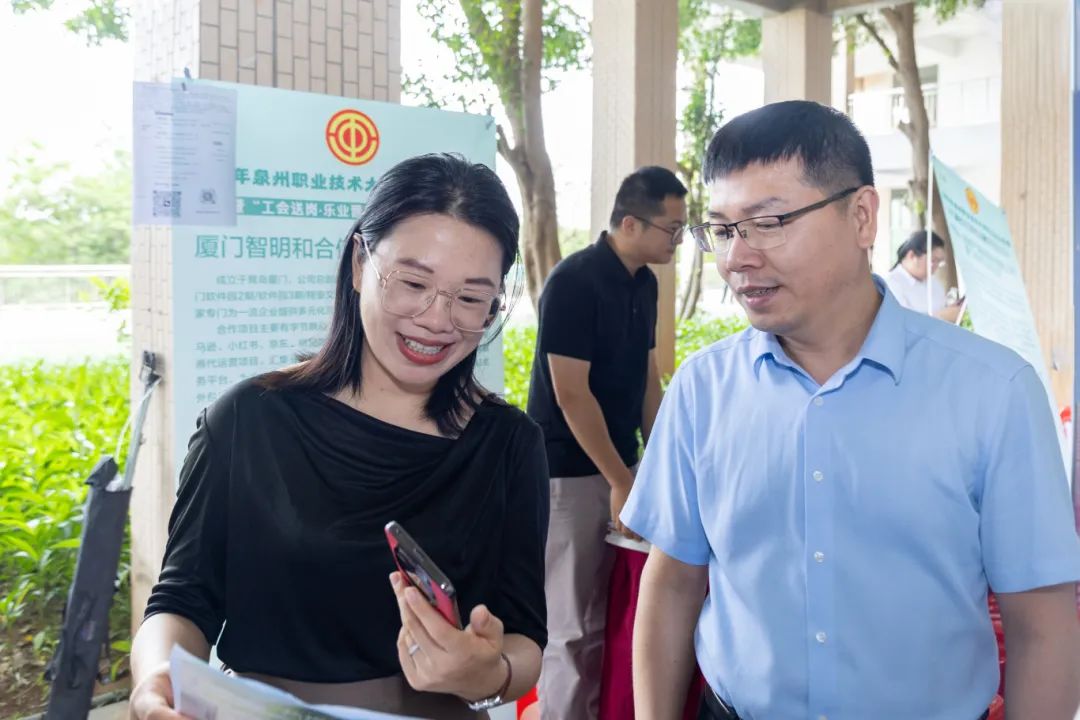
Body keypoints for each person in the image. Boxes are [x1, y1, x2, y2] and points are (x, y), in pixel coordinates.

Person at [622, 100, 1080, 720]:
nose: (737, 257)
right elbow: (673, 583)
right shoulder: (702, 390)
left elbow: (1043, 623)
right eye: (724, 230)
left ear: (862, 216)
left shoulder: (993, 392)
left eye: (769, 222)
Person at [128, 153, 550, 720]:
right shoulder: (248, 419)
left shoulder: (509, 444)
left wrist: (489, 674)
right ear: (358, 264)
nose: (435, 319)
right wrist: (157, 676)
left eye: (471, 298)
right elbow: (182, 598)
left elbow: (525, 635)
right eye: (413, 282)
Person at [526, 166, 688, 720]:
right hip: (570, 473)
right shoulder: (573, 281)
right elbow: (571, 394)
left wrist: (657, 466)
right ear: (630, 223)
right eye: (672, 229)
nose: (678, 240)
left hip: (622, 468)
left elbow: (648, 380)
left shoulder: (645, 284)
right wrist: (621, 481)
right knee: (572, 625)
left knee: (608, 613)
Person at [885, 229, 964, 322]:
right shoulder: (891, 284)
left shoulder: (933, 281)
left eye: (939, 262)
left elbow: (939, 308)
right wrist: (942, 316)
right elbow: (902, 322)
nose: (936, 266)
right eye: (933, 260)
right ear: (912, 256)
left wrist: (950, 310)